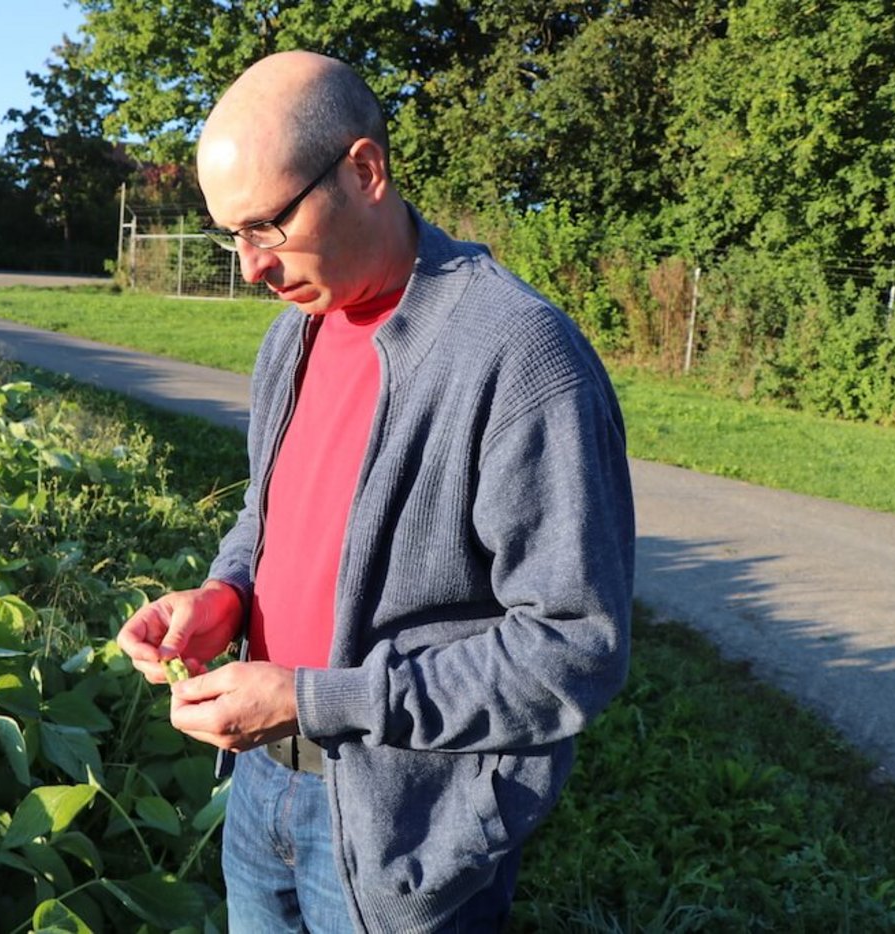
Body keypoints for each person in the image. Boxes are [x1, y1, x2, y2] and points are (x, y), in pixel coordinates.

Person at [117, 50, 634, 933]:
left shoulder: (518, 358)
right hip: (259, 791)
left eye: (266, 227)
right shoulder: (295, 336)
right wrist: (226, 593)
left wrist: (316, 700)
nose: (248, 268)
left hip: (409, 827)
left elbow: (572, 649)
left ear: (364, 170)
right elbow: (266, 515)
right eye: (229, 234)